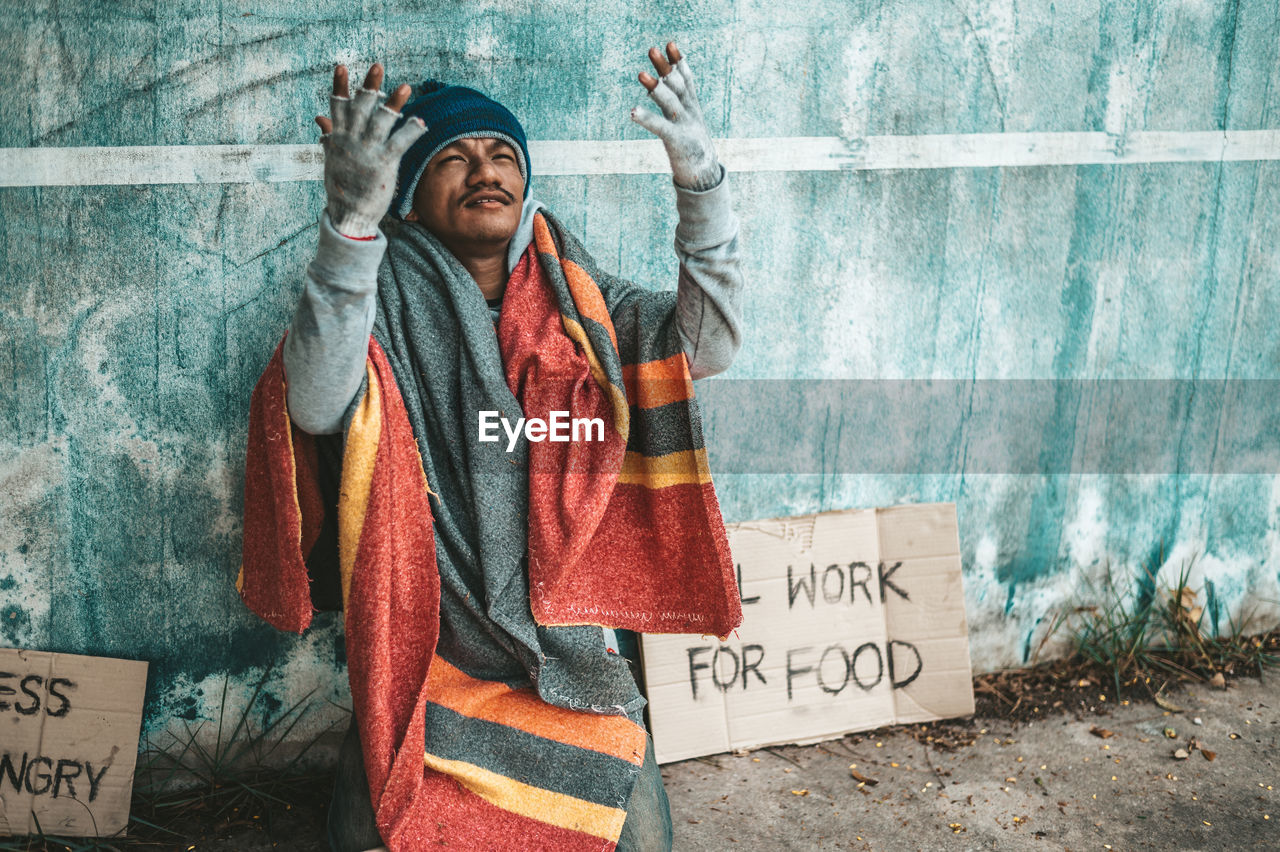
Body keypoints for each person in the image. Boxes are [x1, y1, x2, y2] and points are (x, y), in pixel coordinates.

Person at [238, 42, 744, 852]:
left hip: (568, 659)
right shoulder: (377, 292)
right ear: (407, 201)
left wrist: (701, 183)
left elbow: (707, 346)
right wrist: (350, 228)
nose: (485, 170)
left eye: (503, 153)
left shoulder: (581, 299)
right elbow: (317, 401)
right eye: (454, 157)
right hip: (424, 657)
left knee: (640, 843)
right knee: (377, 835)